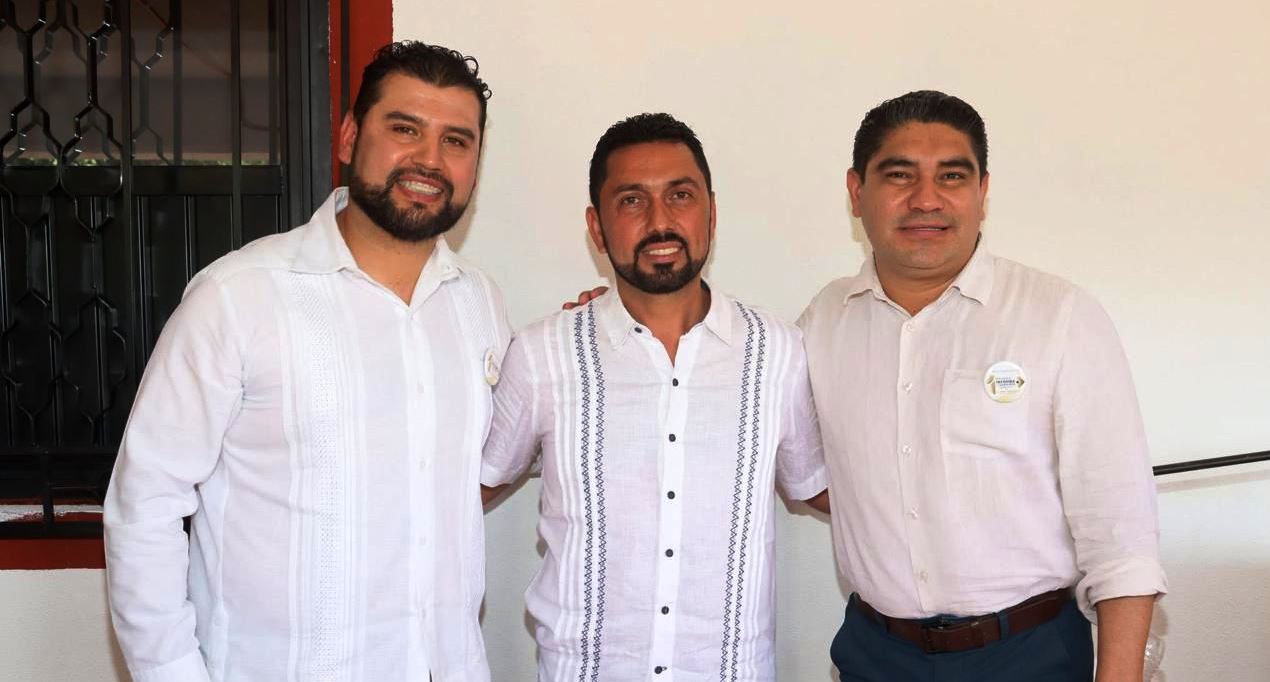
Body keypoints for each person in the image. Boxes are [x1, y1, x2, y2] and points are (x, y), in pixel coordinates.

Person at [104, 42, 508, 682]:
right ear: (349, 137)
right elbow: (145, 504)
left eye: (455, 141)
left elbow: (489, 459)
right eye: (404, 129)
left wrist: (588, 335)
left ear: (475, 167)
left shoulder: (479, 303)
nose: (429, 160)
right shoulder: (238, 296)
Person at [800, 90, 1167, 681]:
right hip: (876, 656)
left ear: (982, 191)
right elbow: (803, 467)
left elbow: (1121, 531)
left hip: (1031, 655)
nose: (926, 199)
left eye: (952, 176)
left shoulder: (1059, 316)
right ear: (856, 191)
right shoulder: (824, 321)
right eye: (900, 175)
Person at [481, 112, 829, 681]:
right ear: (597, 228)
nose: (660, 220)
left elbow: (819, 487)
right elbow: (473, 484)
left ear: (711, 213)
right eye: (632, 201)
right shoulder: (544, 353)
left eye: (680, 196)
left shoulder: (780, 352)